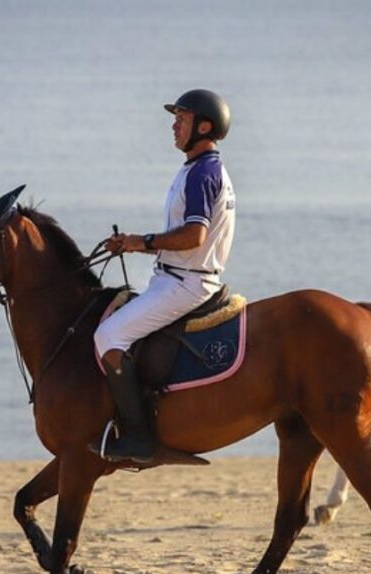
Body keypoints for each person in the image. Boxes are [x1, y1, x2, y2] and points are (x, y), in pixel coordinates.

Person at [91, 89, 236, 463]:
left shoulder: (202, 172)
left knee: (108, 335)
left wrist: (140, 242)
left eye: (182, 119)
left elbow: (194, 236)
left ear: (204, 127)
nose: (174, 126)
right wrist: (133, 244)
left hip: (186, 283)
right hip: (174, 277)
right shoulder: (196, 168)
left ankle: (139, 438)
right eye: (175, 119)